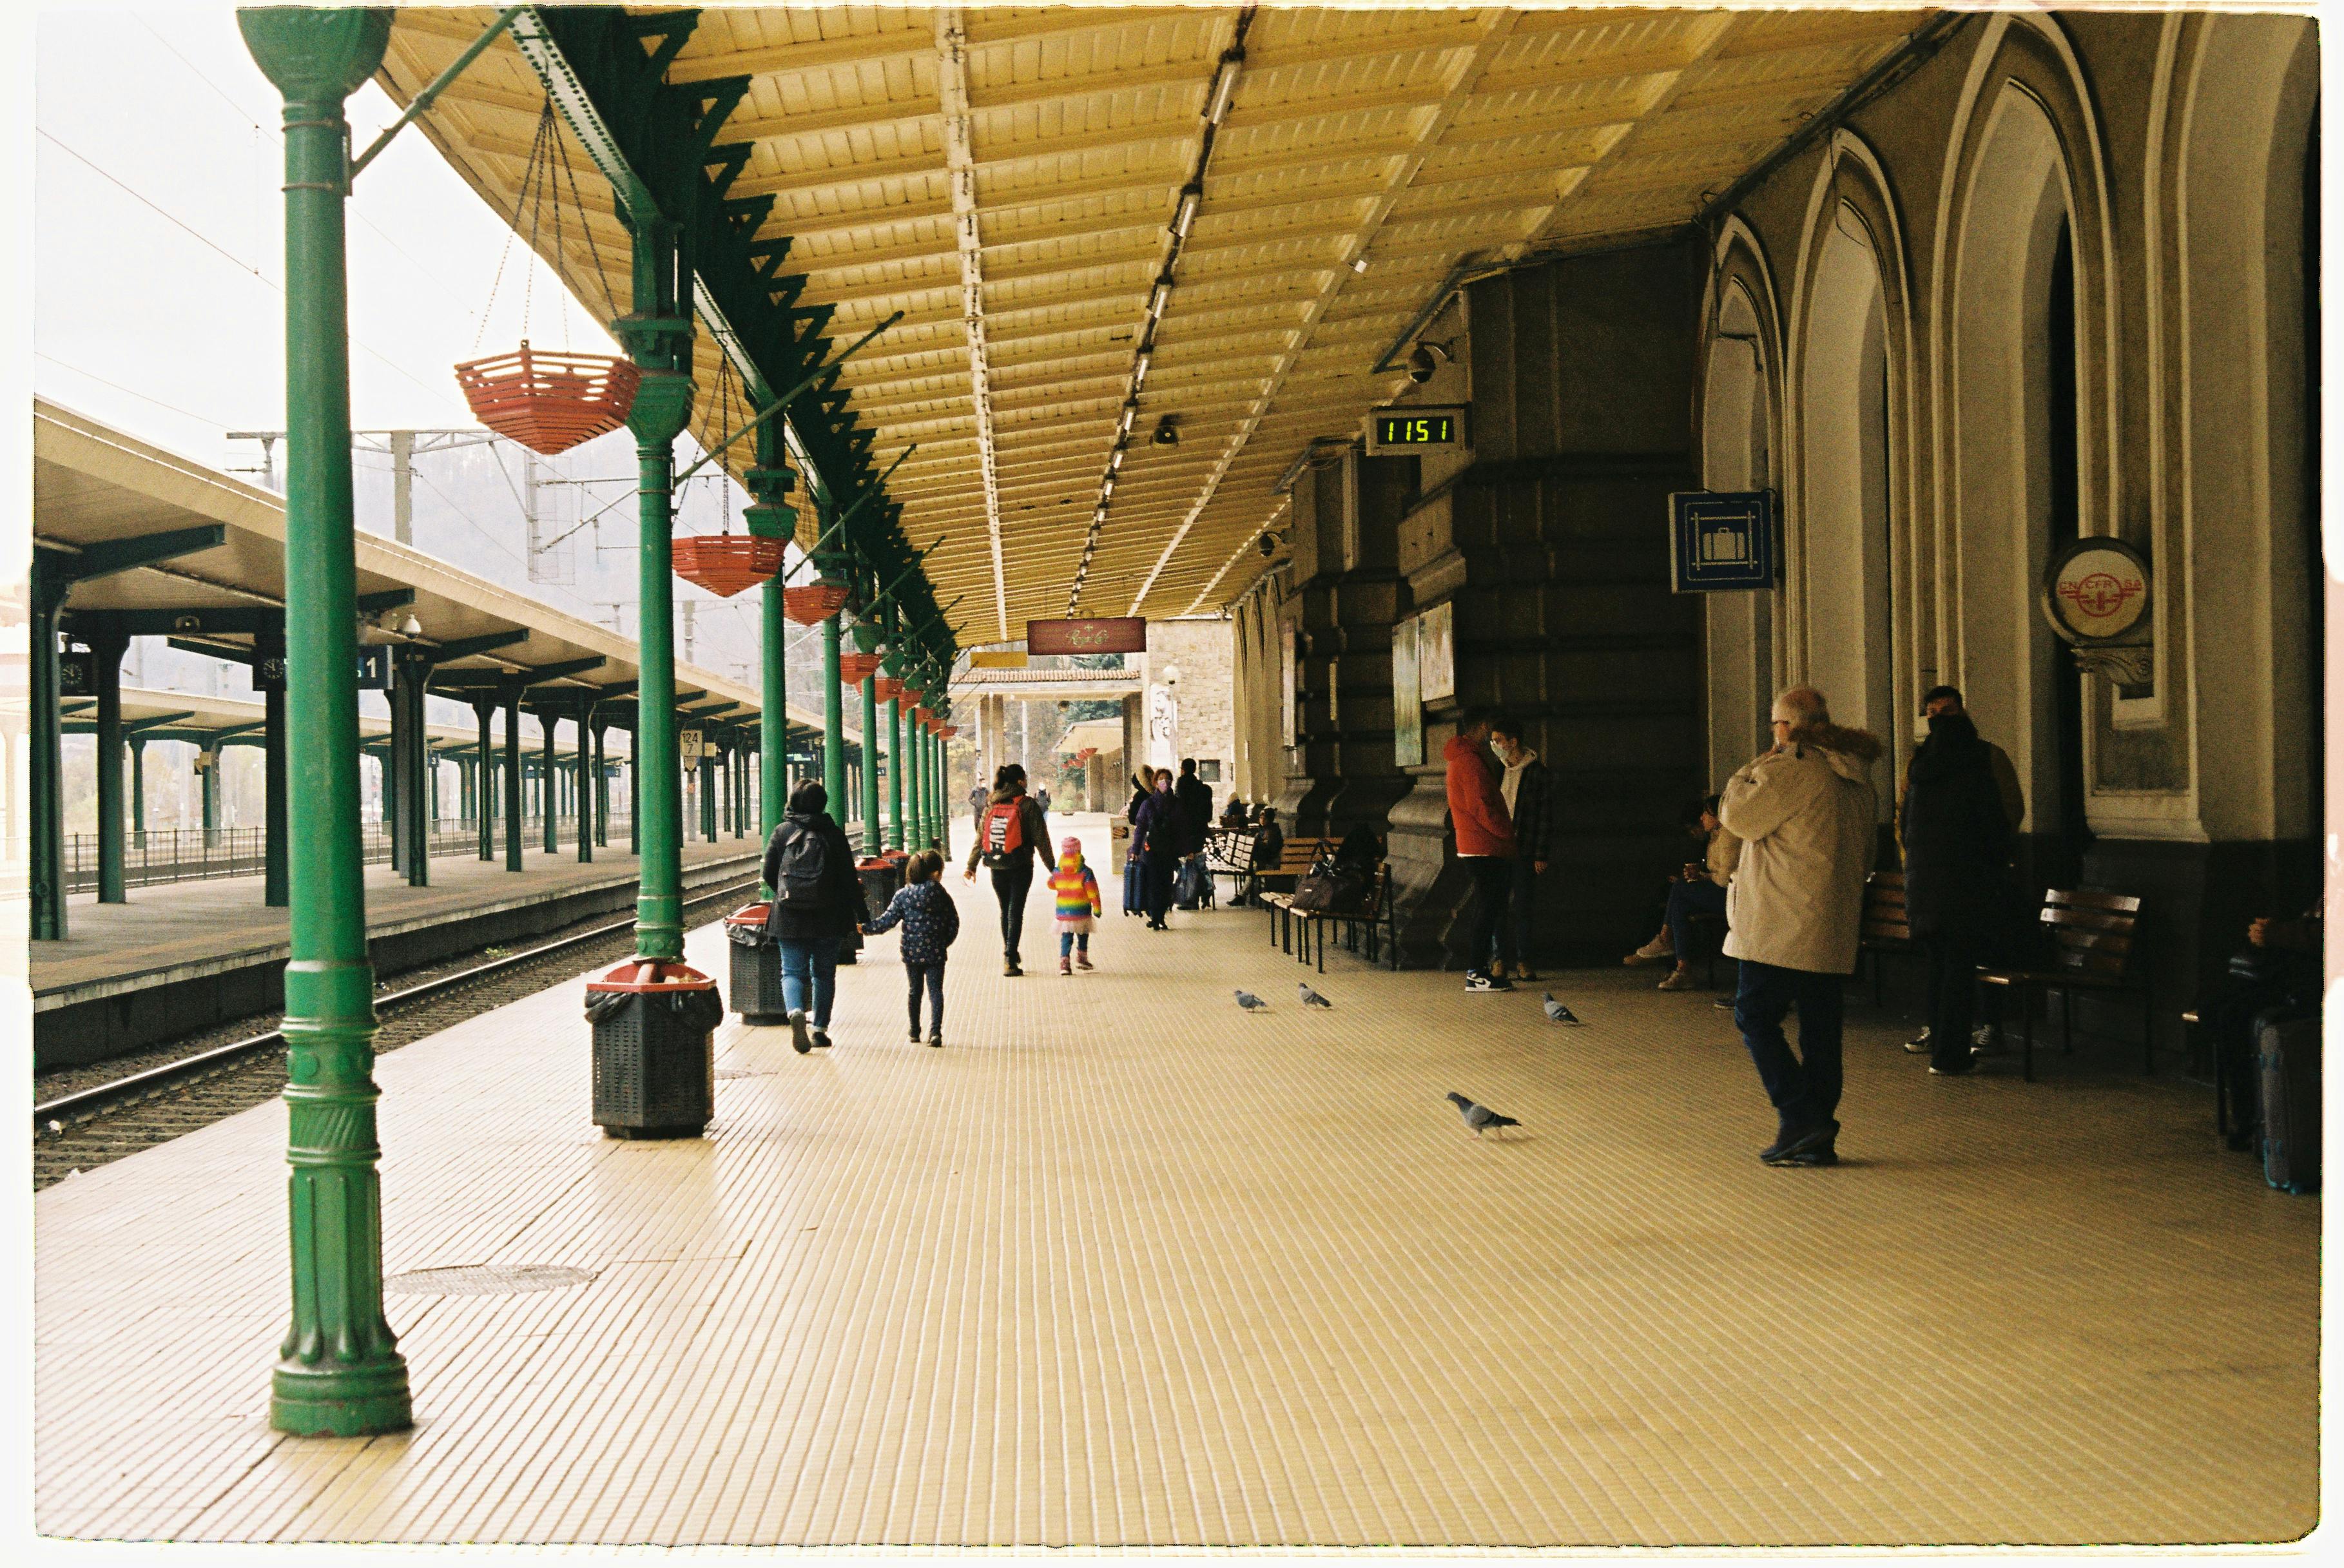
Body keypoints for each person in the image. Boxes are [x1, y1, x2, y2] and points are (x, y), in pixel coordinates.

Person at [1720, 686, 1881, 1167]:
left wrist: (1750, 766)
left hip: (1781, 922)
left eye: (1774, 724)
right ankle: (1817, 1133)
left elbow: (1736, 815)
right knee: (1820, 1030)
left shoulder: (1794, 767)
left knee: (1753, 1014)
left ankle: (1799, 1116)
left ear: (1786, 727)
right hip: (1831, 920)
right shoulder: (1855, 775)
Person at [1898, 685, 2025, 1058]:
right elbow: (1904, 814)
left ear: (1963, 711)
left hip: (1931, 880)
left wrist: (1915, 860)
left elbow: (2010, 808)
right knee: (1955, 959)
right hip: (1963, 879)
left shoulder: (1979, 758)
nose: (1939, 719)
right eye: (1932, 713)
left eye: (1947, 711)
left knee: (1949, 960)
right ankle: (1949, 1045)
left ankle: (1965, 1032)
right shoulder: (1929, 763)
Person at [761, 779, 867, 1055]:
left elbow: (768, 873)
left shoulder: (782, 831)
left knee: (791, 972)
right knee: (823, 974)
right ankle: (820, 1030)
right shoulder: (833, 833)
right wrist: (863, 914)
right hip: (829, 915)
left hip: (789, 915)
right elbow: (848, 880)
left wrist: (786, 896)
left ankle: (795, 1010)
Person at [2206, 902, 2322, 1150]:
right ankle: (2249, 1115)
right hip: (2293, 973)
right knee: (2218, 1008)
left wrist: (2276, 933)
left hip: (2313, 983)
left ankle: (2250, 1117)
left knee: (2234, 1017)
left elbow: (2328, 934)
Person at [1626, 795, 1740, 991]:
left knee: (1680, 889)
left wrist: (1702, 878)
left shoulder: (1729, 837)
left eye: (1707, 813)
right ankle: (1683, 968)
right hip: (1719, 889)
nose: (1703, 817)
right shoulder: (1715, 836)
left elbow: (1724, 879)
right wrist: (1700, 876)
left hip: (1731, 894)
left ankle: (1664, 939)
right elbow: (1716, 872)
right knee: (1680, 902)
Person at [1443, 710, 1517, 992]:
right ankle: (1476, 971)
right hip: (1485, 845)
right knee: (1488, 910)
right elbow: (1482, 806)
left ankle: (1478, 970)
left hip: (1473, 844)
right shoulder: (1470, 762)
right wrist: (1507, 833)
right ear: (1483, 726)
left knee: (1486, 908)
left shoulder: (1459, 759)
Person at [864, 849, 960, 1047]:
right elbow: (953, 921)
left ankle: (915, 1031)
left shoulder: (903, 895)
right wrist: (944, 942)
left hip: (912, 953)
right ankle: (935, 1032)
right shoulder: (939, 893)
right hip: (935, 952)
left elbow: (887, 922)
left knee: (914, 991)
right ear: (934, 874)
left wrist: (866, 929)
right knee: (936, 992)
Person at [962, 762, 1051, 976]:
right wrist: (1054, 869)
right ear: (1021, 781)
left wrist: (971, 866)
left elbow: (979, 838)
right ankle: (1010, 958)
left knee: (1005, 909)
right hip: (1021, 864)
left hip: (996, 865)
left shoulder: (992, 804)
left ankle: (1010, 951)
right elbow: (1042, 840)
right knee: (1016, 910)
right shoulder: (1027, 804)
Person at [1487, 716, 1555, 983]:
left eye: (1498, 741)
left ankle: (1524, 960)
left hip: (1524, 849)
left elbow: (1545, 816)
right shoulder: (1496, 770)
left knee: (1524, 906)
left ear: (1513, 742)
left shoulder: (1537, 772)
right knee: (1497, 906)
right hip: (1497, 849)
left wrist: (1541, 854)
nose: (1494, 745)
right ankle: (1499, 959)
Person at [1131, 767, 1183, 929]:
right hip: (1151, 851)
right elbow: (1140, 827)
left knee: (1167, 883)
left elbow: (1183, 828)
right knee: (1154, 884)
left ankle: (1160, 916)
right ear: (1155, 782)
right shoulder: (1148, 804)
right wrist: (1135, 850)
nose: (1164, 782)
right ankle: (1155, 916)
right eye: (1161, 779)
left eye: (1167, 779)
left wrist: (1185, 849)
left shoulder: (1176, 803)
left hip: (1168, 851)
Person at [1049, 836, 1103, 974]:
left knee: (1066, 937)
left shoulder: (1058, 871)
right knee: (1083, 934)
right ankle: (1082, 958)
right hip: (1081, 910)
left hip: (1064, 910)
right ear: (1079, 851)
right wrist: (1097, 908)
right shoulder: (1085, 871)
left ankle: (1064, 965)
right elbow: (1092, 891)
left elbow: (1051, 884)